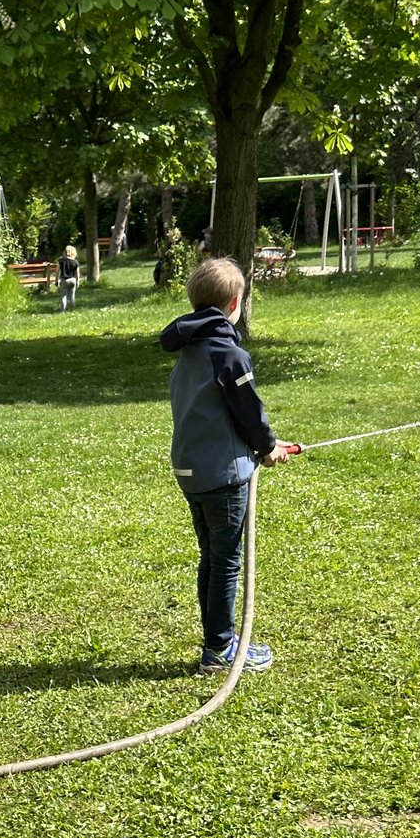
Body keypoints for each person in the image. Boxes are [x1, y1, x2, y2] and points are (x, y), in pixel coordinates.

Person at [159, 257, 298, 676]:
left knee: (213, 556)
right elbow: (248, 412)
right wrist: (268, 446)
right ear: (235, 303)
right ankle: (220, 650)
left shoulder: (190, 350)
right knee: (225, 561)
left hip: (191, 471)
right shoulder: (228, 353)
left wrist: (270, 446)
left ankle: (216, 643)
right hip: (222, 475)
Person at [57, 244, 80, 312]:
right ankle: (72, 310)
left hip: (64, 280)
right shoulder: (75, 262)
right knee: (72, 296)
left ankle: (62, 310)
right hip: (72, 280)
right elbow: (77, 273)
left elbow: (57, 271)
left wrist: (56, 280)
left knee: (63, 296)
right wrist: (77, 281)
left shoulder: (61, 261)